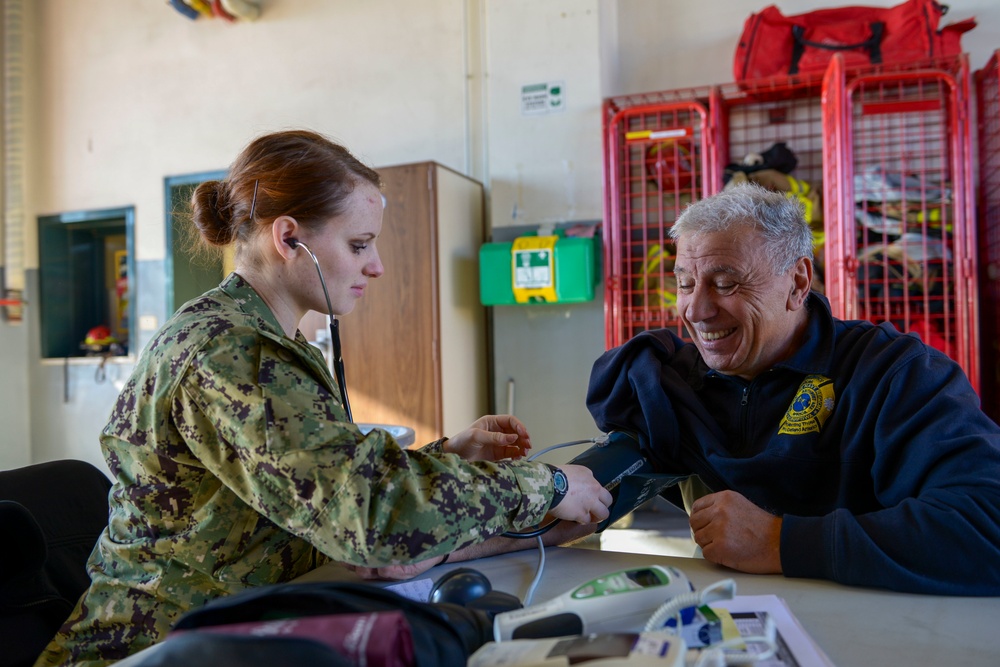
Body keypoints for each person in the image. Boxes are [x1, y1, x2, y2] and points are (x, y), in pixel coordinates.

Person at [35, 129, 612, 667]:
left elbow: (321, 484)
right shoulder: (233, 353)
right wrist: (546, 485)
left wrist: (445, 456)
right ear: (288, 238)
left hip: (225, 625)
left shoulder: (263, 338)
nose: (377, 266)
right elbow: (366, 518)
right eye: (359, 244)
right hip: (154, 648)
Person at [584, 182, 1000, 595]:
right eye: (686, 284)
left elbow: (987, 525)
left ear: (798, 283)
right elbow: (592, 492)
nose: (696, 310)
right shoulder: (672, 382)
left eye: (726, 283)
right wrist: (537, 495)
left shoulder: (893, 375)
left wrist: (779, 542)